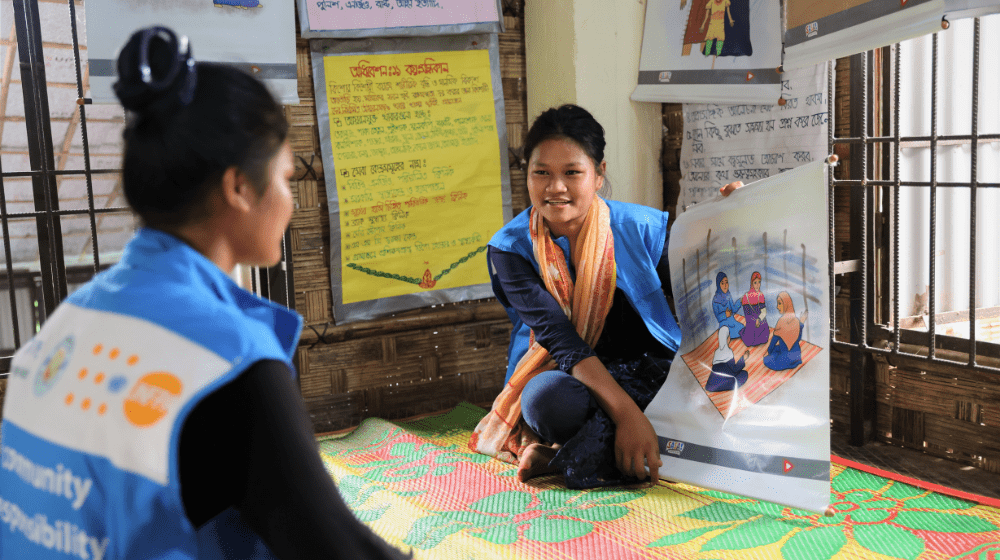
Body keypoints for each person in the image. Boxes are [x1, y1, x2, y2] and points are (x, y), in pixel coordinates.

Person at [0, 27, 408, 560]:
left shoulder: (66, 324)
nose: (291, 200)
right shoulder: (226, 360)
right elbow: (335, 548)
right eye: (285, 177)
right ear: (239, 186)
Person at [467, 104, 743, 488]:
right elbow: (563, 343)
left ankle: (561, 456)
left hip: (653, 371)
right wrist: (628, 415)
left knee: (713, 389)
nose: (555, 187)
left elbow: (702, 288)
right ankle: (632, 441)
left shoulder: (643, 228)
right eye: (541, 173)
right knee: (543, 401)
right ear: (526, 176)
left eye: (572, 173)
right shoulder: (511, 249)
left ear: (598, 175)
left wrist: (735, 217)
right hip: (573, 374)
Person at [763, 291, 807, 371]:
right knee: (777, 348)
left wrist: (768, 352)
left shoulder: (781, 321)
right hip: (797, 356)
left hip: (786, 358)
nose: (777, 307)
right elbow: (798, 338)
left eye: (779, 303)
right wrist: (801, 323)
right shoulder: (796, 320)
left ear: (786, 304)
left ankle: (783, 360)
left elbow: (774, 340)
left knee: (766, 359)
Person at [706, 326, 750, 392]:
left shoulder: (717, 352)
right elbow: (735, 369)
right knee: (744, 374)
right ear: (727, 338)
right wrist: (744, 358)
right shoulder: (728, 351)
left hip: (710, 385)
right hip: (723, 383)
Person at [739, 271, 769, 346]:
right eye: (755, 282)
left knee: (764, 338)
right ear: (752, 283)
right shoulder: (746, 297)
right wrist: (754, 321)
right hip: (751, 321)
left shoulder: (761, 295)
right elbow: (747, 315)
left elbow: (764, 312)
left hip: (760, 319)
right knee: (750, 340)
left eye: (759, 282)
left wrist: (758, 319)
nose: (758, 285)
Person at [713, 271, 745, 338]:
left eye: (726, 282)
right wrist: (725, 315)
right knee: (732, 334)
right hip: (724, 326)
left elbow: (733, 309)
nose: (725, 285)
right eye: (722, 283)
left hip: (732, 322)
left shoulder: (728, 295)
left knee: (743, 329)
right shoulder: (715, 300)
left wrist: (740, 301)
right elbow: (718, 318)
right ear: (718, 285)